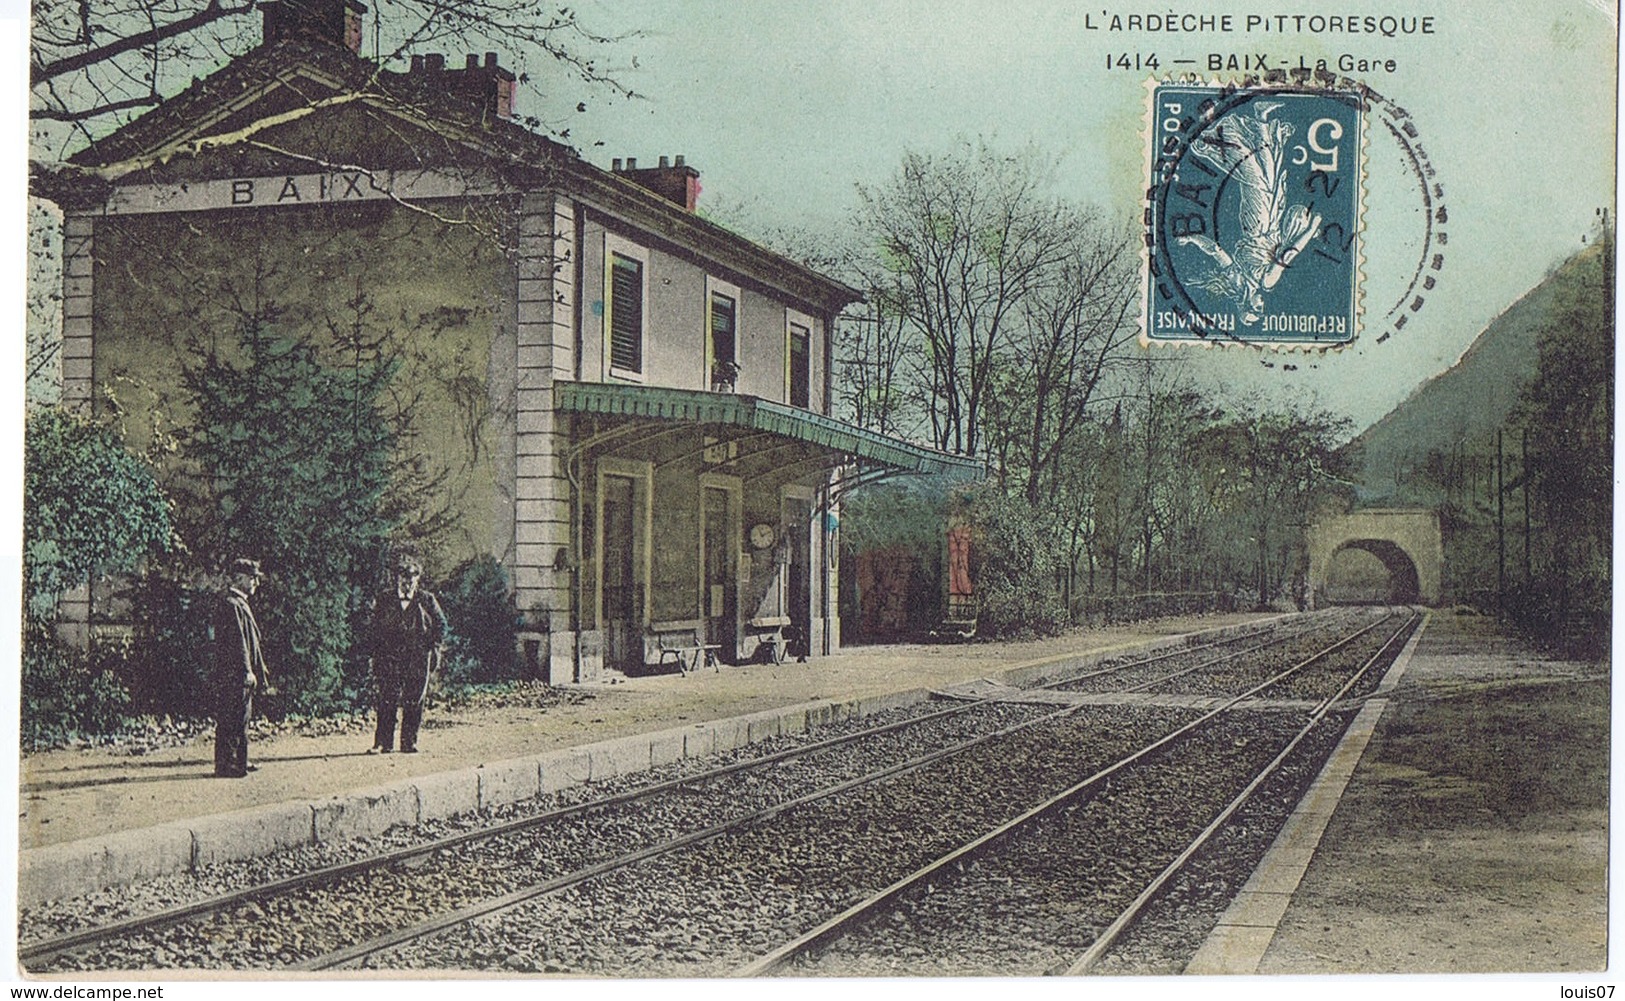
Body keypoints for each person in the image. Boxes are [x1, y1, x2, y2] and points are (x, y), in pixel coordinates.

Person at [367, 554, 446, 754]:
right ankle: (384, 743)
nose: (407, 584)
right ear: (397, 579)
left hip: (417, 658)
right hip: (390, 657)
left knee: (414, 700)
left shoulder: (426, 600)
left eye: (412, 580)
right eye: (403, 579)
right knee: (387, 699)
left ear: (417, 580)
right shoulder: (385, 599)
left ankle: (409, 743)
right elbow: (374, 628)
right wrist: (376, 653)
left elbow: (441, 625)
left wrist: (431, 646)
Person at [211, 558, 272, 778]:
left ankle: (237, 761)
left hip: (236, 674)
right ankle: (231, 766)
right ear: (240, 578)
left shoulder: (238, 603)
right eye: (252, 577)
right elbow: (238, 642)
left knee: (239, 718)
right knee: (234, 718)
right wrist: (247, 670)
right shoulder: (231, 604)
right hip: (235, 674)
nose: (256, 582)